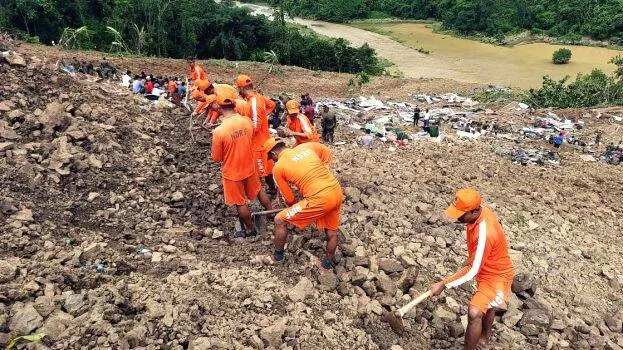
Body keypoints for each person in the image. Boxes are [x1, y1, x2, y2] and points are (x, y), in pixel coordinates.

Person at [429, 188, 515, 350]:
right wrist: (474, 258)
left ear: (475, 211)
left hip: (497, 276)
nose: (458, 217)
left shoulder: (485, 233)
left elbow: (472, 270)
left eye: (461, 213)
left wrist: (443, 284)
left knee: (475, 312)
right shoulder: (479, 214)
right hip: (486, 267)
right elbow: (479, 259)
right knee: (488, 305)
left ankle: (476, 344)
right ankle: (484, 338)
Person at [263, 137, 342, 269]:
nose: (273, 161)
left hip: (319, 199)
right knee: (331, 232)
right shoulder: (305, 148)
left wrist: (294, 209)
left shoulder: (278, 167)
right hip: (336, 191)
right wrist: (326, 167)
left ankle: (277, 257)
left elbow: (289, 199)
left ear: (273, 154)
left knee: (279, 220)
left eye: (271, 158)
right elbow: (325, 150)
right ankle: (328, 264)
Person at [211, 92, 272, 238]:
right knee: (258, 190)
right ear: (233, 105)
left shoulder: (219, 131)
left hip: (232, 172)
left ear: (219, 108)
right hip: (249, 166)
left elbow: (217, 158)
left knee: (240, 202)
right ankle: (271, 213)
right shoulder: (246, 121)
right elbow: (250, 138)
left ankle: (250, 229)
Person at [235, 74, 277, 196]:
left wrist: (242, 133)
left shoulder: (253, 101)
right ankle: (272, 189)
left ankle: (258, 193)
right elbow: (272, 105)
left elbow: (255, 126)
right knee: (267, 168)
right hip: (264, 140)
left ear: (241, 89)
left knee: (259, 171)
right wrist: (264, 116)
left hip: (257, 143)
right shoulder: (258, 97)